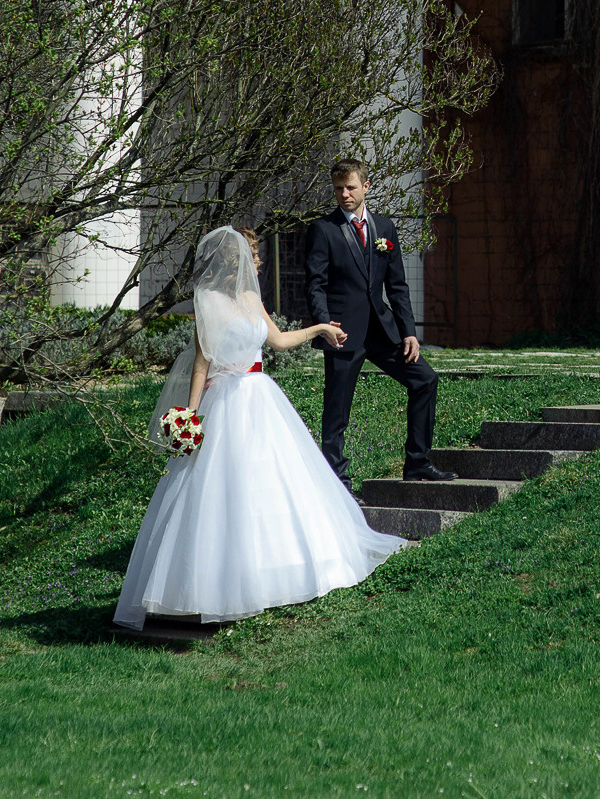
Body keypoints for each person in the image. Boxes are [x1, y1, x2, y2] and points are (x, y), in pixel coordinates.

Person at [113, 227, 406, 631]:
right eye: (253, 255)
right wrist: (190, 417)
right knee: (224, 491)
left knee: (275, 483)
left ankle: (278, 573)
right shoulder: (208, 301)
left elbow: (280, 341)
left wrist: (320, 328)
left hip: (260, 397)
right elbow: (202, 363)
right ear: (236, 260)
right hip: (225, 400)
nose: (259, 262)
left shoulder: (253, 299)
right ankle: (219, 585)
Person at [304, 158, 456, 487]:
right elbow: (315, 284)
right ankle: (338, 483)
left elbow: (397, 286)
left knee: (425, 380)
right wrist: (324, 324)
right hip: (342, 333)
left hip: (383, 330)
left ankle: (417, 462)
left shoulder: (384, 228)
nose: (344, 194)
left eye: (350, 187)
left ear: (366, 187)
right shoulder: (323, 229)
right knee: (336, 410)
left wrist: (409, 333)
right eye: (338, 189)